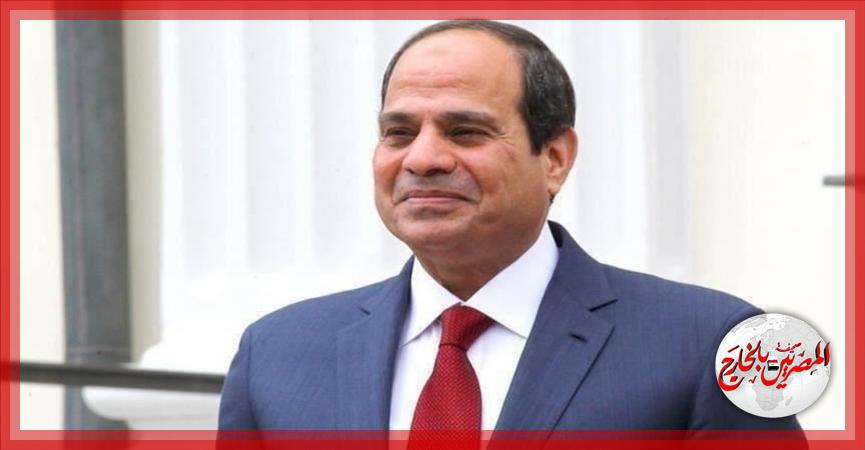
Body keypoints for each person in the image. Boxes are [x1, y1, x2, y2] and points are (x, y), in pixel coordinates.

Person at [218, 20, 805, 438]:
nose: (422, 158)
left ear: (554, 158)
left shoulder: (710, 345)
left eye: (466, 132)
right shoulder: (277, 353)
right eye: (399, 133)